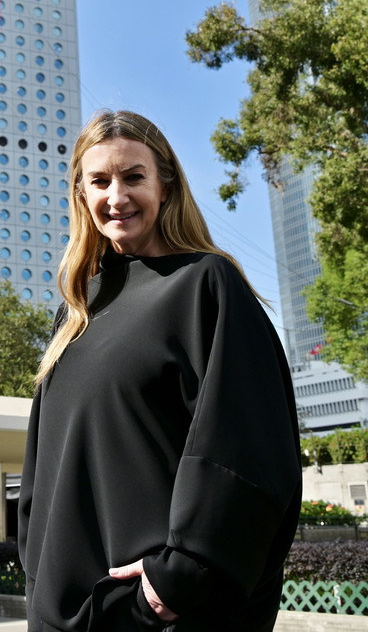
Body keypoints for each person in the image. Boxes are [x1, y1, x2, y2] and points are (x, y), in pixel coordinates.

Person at [17, 110, 301, 632]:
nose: (116, 196)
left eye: (134, 177)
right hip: (65, 616)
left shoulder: (205, 285)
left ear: (165, 186)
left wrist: (177, 579)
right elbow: (44, 468)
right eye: (99, 180)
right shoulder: (76, 311)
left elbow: (251, 451)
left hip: (156, 617)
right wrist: (37, 579)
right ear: (81, 194)